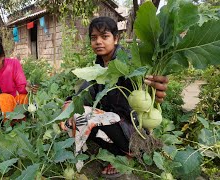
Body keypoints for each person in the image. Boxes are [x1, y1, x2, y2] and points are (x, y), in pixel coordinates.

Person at [62, 17, 168, 178]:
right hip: (115, 126)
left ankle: (129, 154)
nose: (98, 42)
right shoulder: (99, 67)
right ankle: (116, 150)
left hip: (135, 131)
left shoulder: (129, 62)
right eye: (94, 38)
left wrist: (154, 90)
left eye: (104, 37)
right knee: (73, 120)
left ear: (116, 38)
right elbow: (83, 93)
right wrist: (69, 105)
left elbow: (148, 82)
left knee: (84, 115)